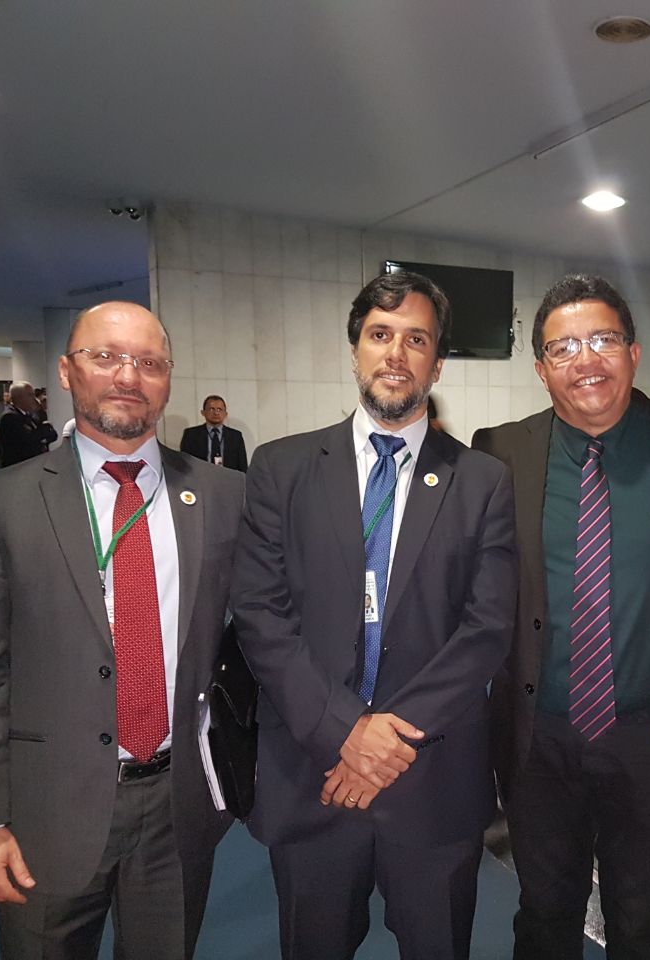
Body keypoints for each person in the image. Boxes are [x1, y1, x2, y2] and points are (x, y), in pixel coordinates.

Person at [0, 301, 245, 959]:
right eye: (105, 357)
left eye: (149, 362)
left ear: (168, 378)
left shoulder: (223, 496)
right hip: (47, 811)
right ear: (66, 370)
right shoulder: (2, 503)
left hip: (178, 805)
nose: (128, 376)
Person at [231, 271, 517, 960]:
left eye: (416, 340)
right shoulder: (280, 468)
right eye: (380, 335)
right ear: (355, 349)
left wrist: (384, 743)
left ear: (437, 363)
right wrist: (345, 732)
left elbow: (486, 628)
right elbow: (261, 615)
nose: (396, 353)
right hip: (314, 776)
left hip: (432, 782)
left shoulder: (483, 480)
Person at [471, 274, 650, 960]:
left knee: (644, 924)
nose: (585, 360)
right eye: (562, 347)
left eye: (603, 340)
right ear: (541, 370)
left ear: (634, 353)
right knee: (545, 916)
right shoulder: (500, 450)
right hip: (541, 740)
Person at [179, 395, 248, 472]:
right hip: (200, 477)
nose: (216, 413)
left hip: (228, 477)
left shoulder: (236, 436)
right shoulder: (191, 435)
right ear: (203, 412)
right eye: (211, 409)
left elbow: (242, 467)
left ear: (225, 414)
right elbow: (184, 464)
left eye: (219, 409)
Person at [0, 381, 59, 467]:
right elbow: (28, 440)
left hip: (34, 464)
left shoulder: (29, 415)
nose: (34, 399)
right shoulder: (9, 417)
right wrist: (42, 433)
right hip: (19, 467)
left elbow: (52, 435)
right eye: (30, 395)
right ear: (19, 397)